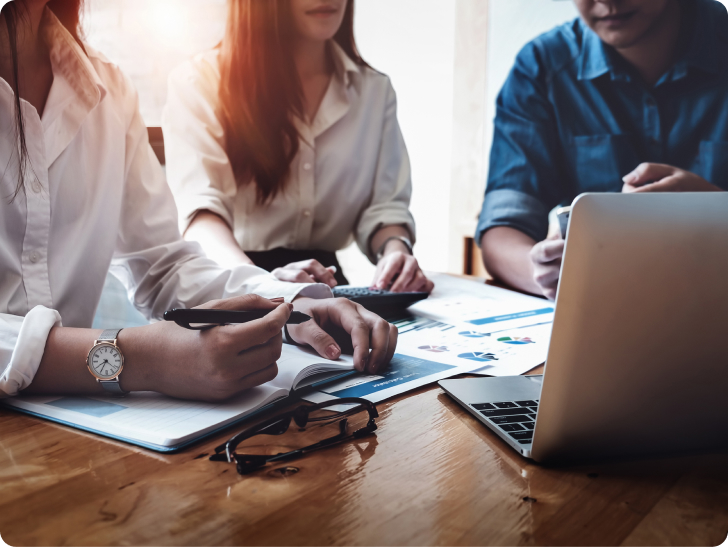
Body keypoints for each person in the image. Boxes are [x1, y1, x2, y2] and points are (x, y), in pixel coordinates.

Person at [0, 0, 397, 401]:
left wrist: (286, 305)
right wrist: (140, 358)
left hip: (66, 426)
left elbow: (162, 265)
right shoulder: (198, 80)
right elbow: (202, 214)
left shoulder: (108, 89)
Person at [162, 0, 434, 294]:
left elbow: (384, 208)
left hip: (324, 283)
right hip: (231, 280)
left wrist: (396, 250)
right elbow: (201, 215)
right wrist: (261, 285)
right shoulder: (199, 81)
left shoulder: (374, 91)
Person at [477, 0, 728, 300]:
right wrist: (544, 273)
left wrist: (717, 216)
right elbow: (503, 227)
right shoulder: (541, 67)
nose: (607, 1)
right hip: (601, 312)